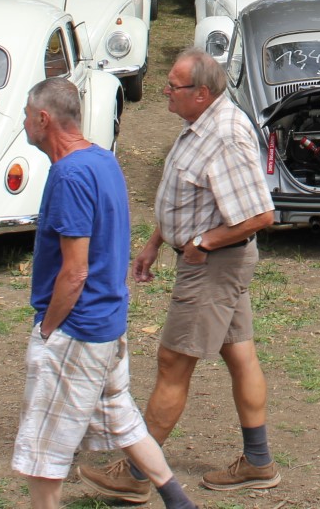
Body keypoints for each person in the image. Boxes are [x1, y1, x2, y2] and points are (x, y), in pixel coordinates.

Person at [90, 49, 277, 498]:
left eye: (174, 86)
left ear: (203, 93)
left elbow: (259, 215)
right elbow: (191, 196)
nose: (165, 92)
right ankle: (258, 462)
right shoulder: (199, 125)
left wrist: (202, 243)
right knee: (240, 355)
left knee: (173, 363)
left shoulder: (226, 136)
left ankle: (137, 476)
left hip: (213, 267)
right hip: (211, 263)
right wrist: (157, 242)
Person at [12, 78, 196, 509]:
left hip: (77, 329)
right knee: (120, 416)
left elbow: (74, 272)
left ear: (43, 119)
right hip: (108, 321)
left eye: (25, 115)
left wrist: (48, 330)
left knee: (44, 451)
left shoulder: (70, 174)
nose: (22, 123)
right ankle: (179, 501)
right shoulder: (102, 160)